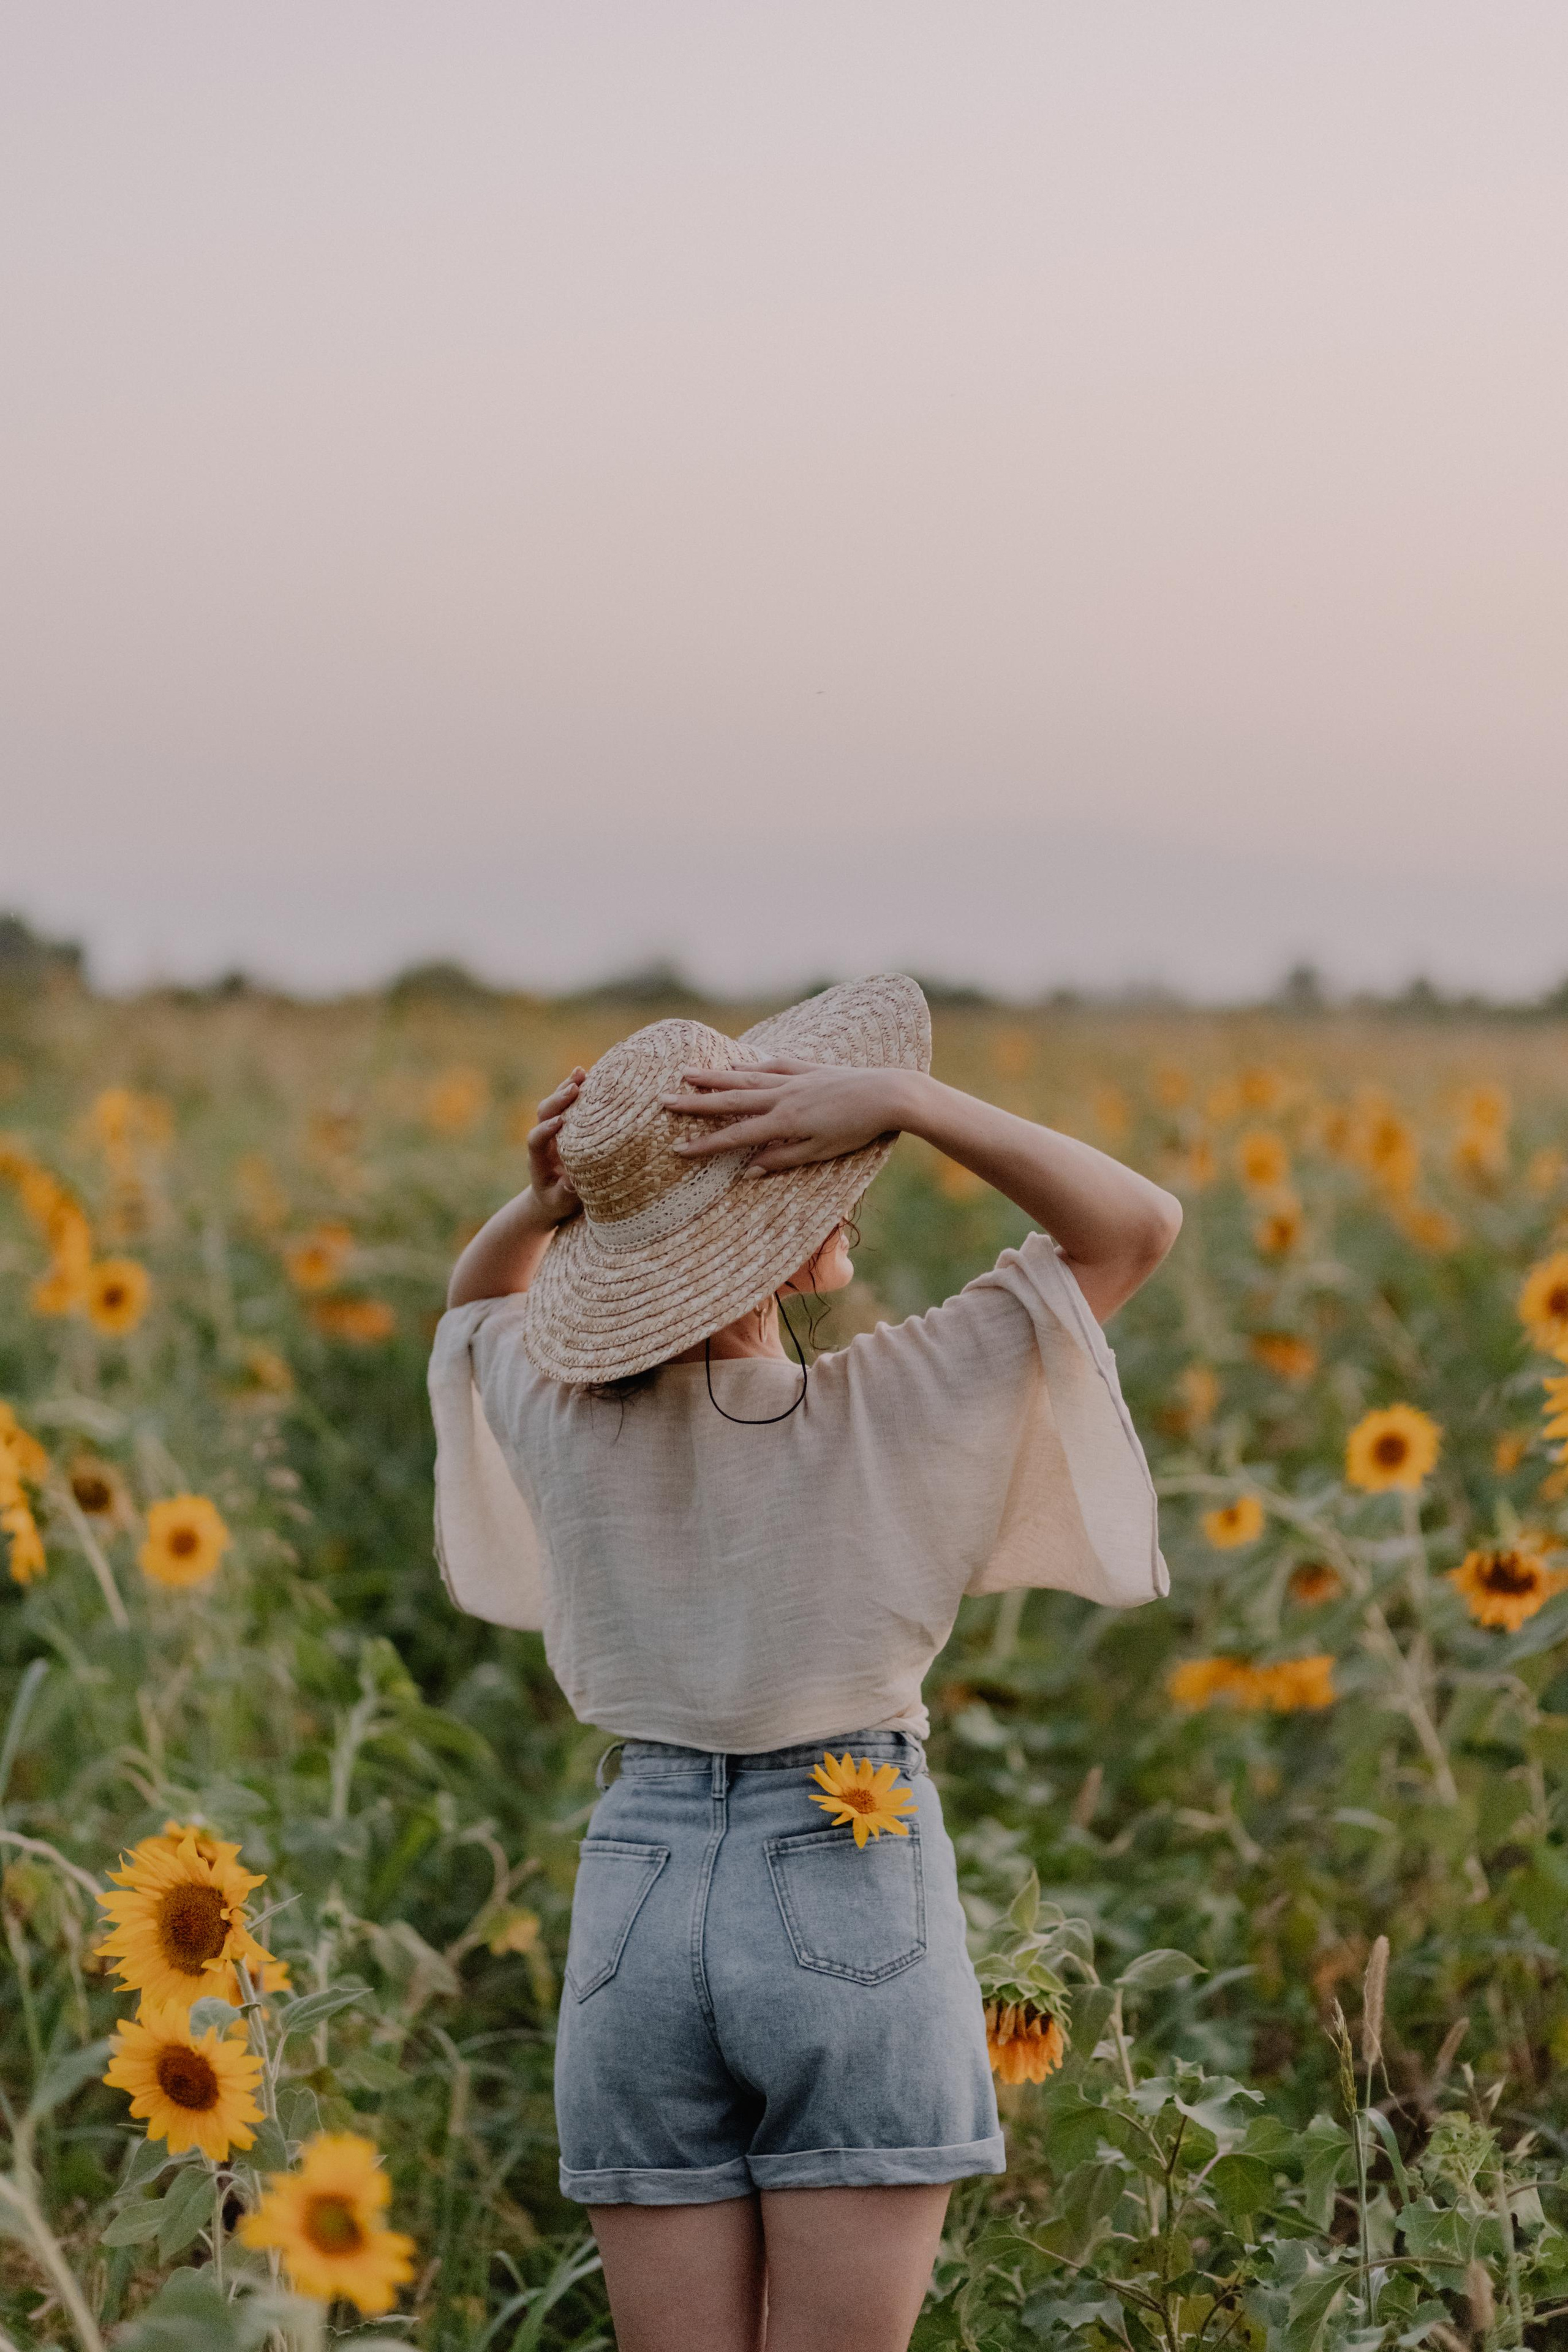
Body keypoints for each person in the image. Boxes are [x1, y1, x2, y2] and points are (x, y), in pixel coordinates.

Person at [429, 975, 1180, 2352]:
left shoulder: (549, 1411)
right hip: (847, 1869)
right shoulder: (893, 1399)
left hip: (633, 1890)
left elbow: (474, 1313)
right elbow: (1133, 1224)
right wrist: (907, 1097)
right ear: (807, 1241)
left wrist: (547, 1204)